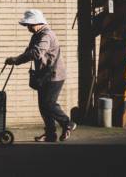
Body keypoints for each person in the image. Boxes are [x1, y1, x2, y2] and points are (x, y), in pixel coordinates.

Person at [5, 9, 76, 142]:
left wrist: (16, 59)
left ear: (37, 23)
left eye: (29, 25)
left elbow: (37, 53)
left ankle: (67, 123)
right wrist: (16, 60)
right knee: (43, 106)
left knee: (48, 103)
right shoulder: (37, 35)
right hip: (44, 76)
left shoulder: (46, 35)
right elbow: (29, 52)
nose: (28, 28)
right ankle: (50, 134)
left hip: (54, 75)